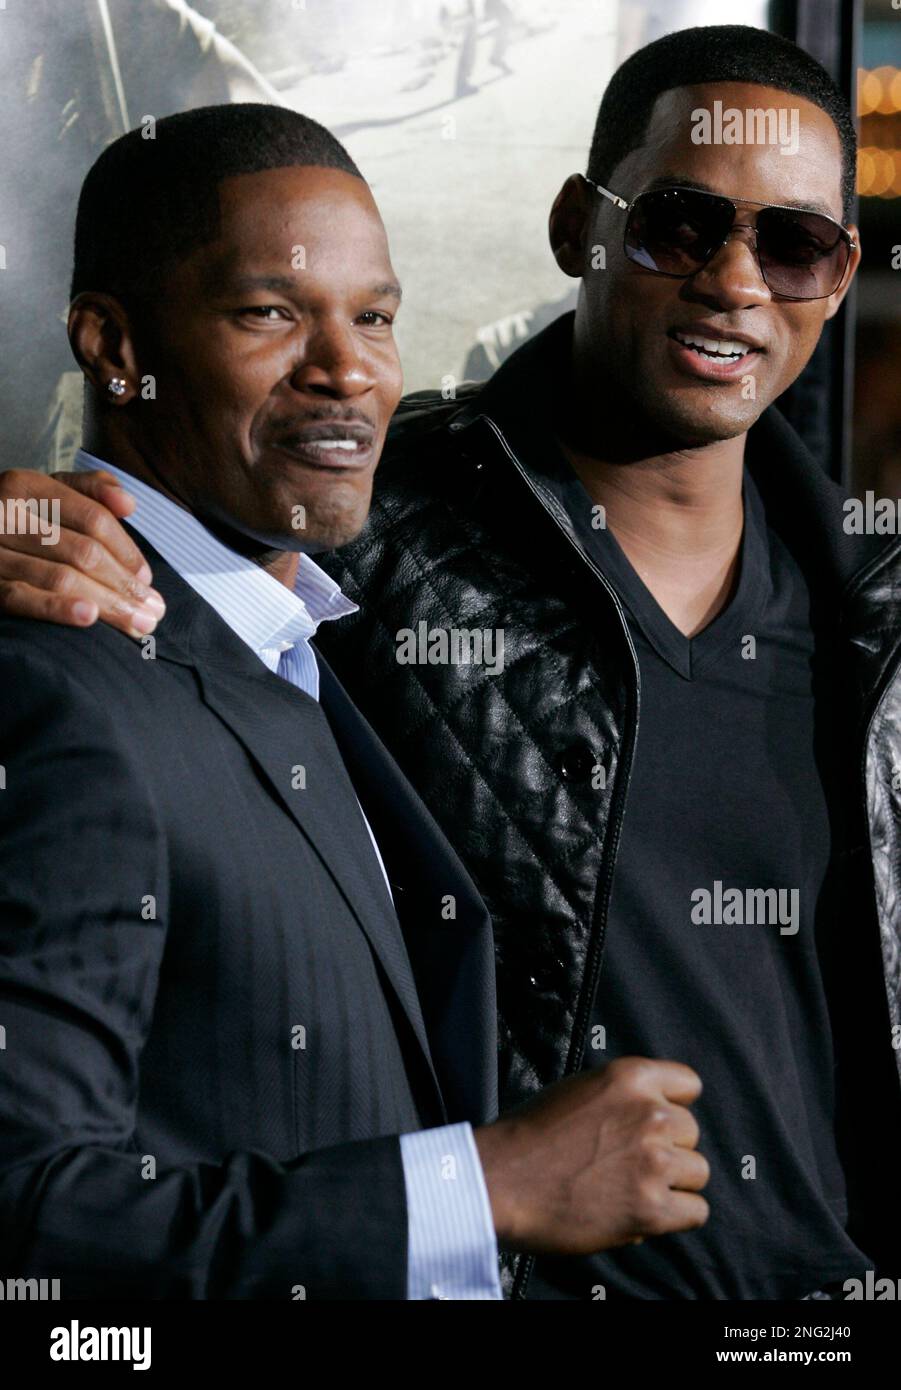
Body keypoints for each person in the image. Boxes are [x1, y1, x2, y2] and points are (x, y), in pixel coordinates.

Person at [6, 24, 897, 1302]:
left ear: (839, 271)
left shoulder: (875, 619)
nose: (737, 282)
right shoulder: (355, 524)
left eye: (794, 243)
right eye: (681, 227)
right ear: (576, 228)